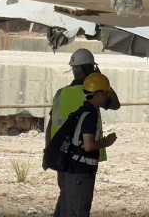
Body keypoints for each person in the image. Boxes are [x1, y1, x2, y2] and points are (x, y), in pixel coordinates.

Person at [47, 48, 121, 217]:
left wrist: (48, 152)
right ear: (89, 68)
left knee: (66, 199)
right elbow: (115, 103)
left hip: (61, 155)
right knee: (77, 206)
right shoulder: (93, 95)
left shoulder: (60, 93)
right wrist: (99, 78)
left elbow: (51, 125)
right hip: (81, 161)